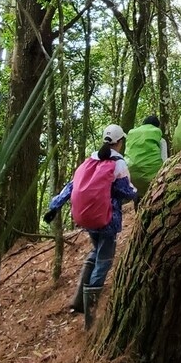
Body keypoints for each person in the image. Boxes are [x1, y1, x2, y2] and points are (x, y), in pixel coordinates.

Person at [42, 124, 137, 319]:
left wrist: (54, 206)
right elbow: (124, 191)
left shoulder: (89, 161)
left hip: (87, 219)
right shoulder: (118, 164)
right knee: (104, 259)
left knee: (96, 250)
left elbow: (71, 186)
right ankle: (90, 315)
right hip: (107, 220)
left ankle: (79, 300)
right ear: (119, 142)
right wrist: (137, 193)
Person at [124, 114, 167, 204]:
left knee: (137, 192)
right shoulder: (161, 139)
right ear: (157, 126)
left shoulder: (132, 135)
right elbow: (164, 160)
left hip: (130, 176)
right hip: (151, 179)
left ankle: (138, 214)